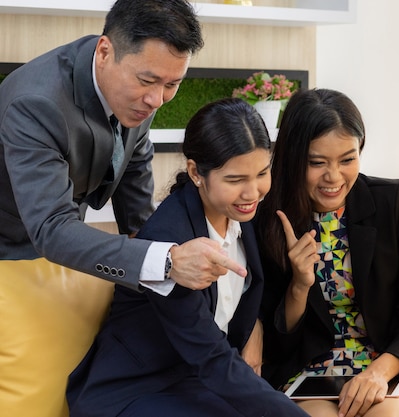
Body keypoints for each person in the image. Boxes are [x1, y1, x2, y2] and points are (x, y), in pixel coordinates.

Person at [66, 98, 311, 417]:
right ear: (197, 173)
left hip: (194, 381)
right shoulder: (171, 241)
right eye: (236, 180)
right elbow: (211, 358)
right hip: (134, 389)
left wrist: (258, 325)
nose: (253, 192)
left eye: (262, 173)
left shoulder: (240, 214)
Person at [0, 0, 246, 294]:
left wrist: (156, 247)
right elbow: (52, 229)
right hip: (10, 250)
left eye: (172, 84)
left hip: (61, 254)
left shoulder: (143, 85)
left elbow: (134, 175)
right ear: (104, 52)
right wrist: (167, 261)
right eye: (148, 81)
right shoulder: (36, 104)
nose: (157, 100)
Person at [255, 88, 399, 417]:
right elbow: (276, 344)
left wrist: (377, 374)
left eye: (347, 159)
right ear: (294, 157)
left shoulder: (396, 202)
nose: (334, 176)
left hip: (388, 365)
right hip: (308, 372)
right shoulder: (267, 219)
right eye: (317, 163)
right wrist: (299, 285)